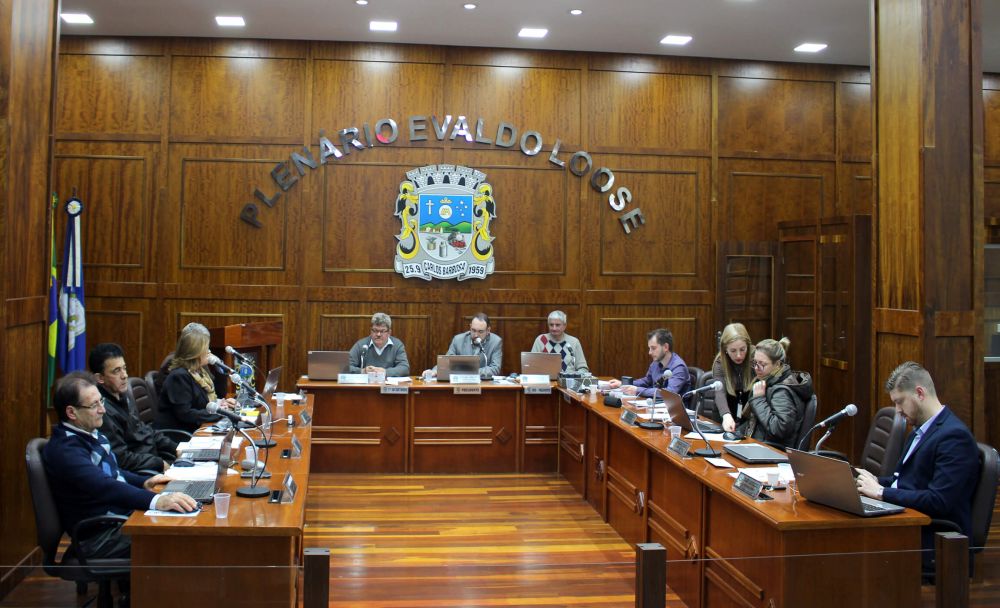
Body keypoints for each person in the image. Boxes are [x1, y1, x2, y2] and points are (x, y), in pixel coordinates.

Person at [42, 372, 198, 561]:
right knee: (182, 537)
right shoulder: (66, 451)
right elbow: (103, 485)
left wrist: (144, 481)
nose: (103, 410)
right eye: (94, 405)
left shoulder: (87, 433)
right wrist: (157, 500)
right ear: (71, 412)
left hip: (116, 520)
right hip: (98, 538)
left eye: (102, 402)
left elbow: (111, 471)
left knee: (188, 523)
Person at [856, 362, 979, 571]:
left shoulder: (954, 437)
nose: (897, 410)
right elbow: (904, 480)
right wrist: (873, 482)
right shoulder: (919, 430)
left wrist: (880, 492)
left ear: (920, 393)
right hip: (907, 521)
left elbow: (939, 501)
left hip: (932, 536)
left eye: (900, 402)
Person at [89, 343, 178, 473]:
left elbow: (146, 431)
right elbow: (121, 459)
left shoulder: (123, 396)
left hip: (155, 459)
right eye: (116, 371)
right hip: (145, 473)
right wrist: (159, 464)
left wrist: (177, 448)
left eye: (124, 368)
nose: (124, 375)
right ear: (100, 378)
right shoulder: (102, 411)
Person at [155, 329, 236, 433]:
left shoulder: (199, 372)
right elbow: (186, 414)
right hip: (179, 435)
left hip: (196, 428)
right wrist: (220, 413)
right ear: (195, 352)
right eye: (206, 348)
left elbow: (205, 401)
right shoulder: (179, 376)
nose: (209, 352)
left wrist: (220, 404)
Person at [737, 337, 813, 447]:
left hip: (772, 452)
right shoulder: (768, 381)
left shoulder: (782, 392)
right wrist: (734, 433)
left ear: (777, 364)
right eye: (755, 363)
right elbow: (755, 423)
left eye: (762, 364)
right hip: (758, 446)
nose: (756, 368)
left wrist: (758, 400)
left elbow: (779, 429)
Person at [608, 328, 690, 397]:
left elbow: (669, 393)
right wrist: (624, 384)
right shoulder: (656, 363)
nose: (649, 352)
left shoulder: (679, 367)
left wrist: (637, 390)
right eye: (649, 348)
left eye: (653, 348)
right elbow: (647, 381)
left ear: (665, 347)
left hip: (673, 412)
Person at [424, 312, 503, 379]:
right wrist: (434, 371)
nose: (476, 335)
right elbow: (447, 362)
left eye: (480, 331)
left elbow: (495, 368)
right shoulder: (458, 340)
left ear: (488, 330)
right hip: (460, 383)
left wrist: (469, 372)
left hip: (483, 385)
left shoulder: (495, 342)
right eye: (473, 330)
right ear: (470, 327)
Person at [711, 323, 754, 433]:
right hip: (725, 415)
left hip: (748, 416)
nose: (739, 355)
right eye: (733, 351)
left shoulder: (756, 358)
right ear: (725, 349)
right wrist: (726, 415)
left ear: (748, 346)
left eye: (742, 349)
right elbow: (719, 392)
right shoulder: (720, 363)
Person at [347, 312, 410, 376]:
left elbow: (404, 368)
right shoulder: (361, 345)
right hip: (367, 385)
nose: (378, 334)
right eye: (375, 330)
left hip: (388, 385)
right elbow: (345, 367)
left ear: (389, 332)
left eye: (382, 331)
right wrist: (362, 371)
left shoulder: (397, 345)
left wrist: (385, 372)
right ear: (370, 331)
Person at [530, 310, 590, 375]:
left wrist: (573, 377)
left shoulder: (574, 342)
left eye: (557, 325)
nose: (554, 328)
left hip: (568, 383)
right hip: (546, 382)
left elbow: (583, 368)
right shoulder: (541, 340)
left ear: (564, 326)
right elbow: (532, 365)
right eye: (551, 325)